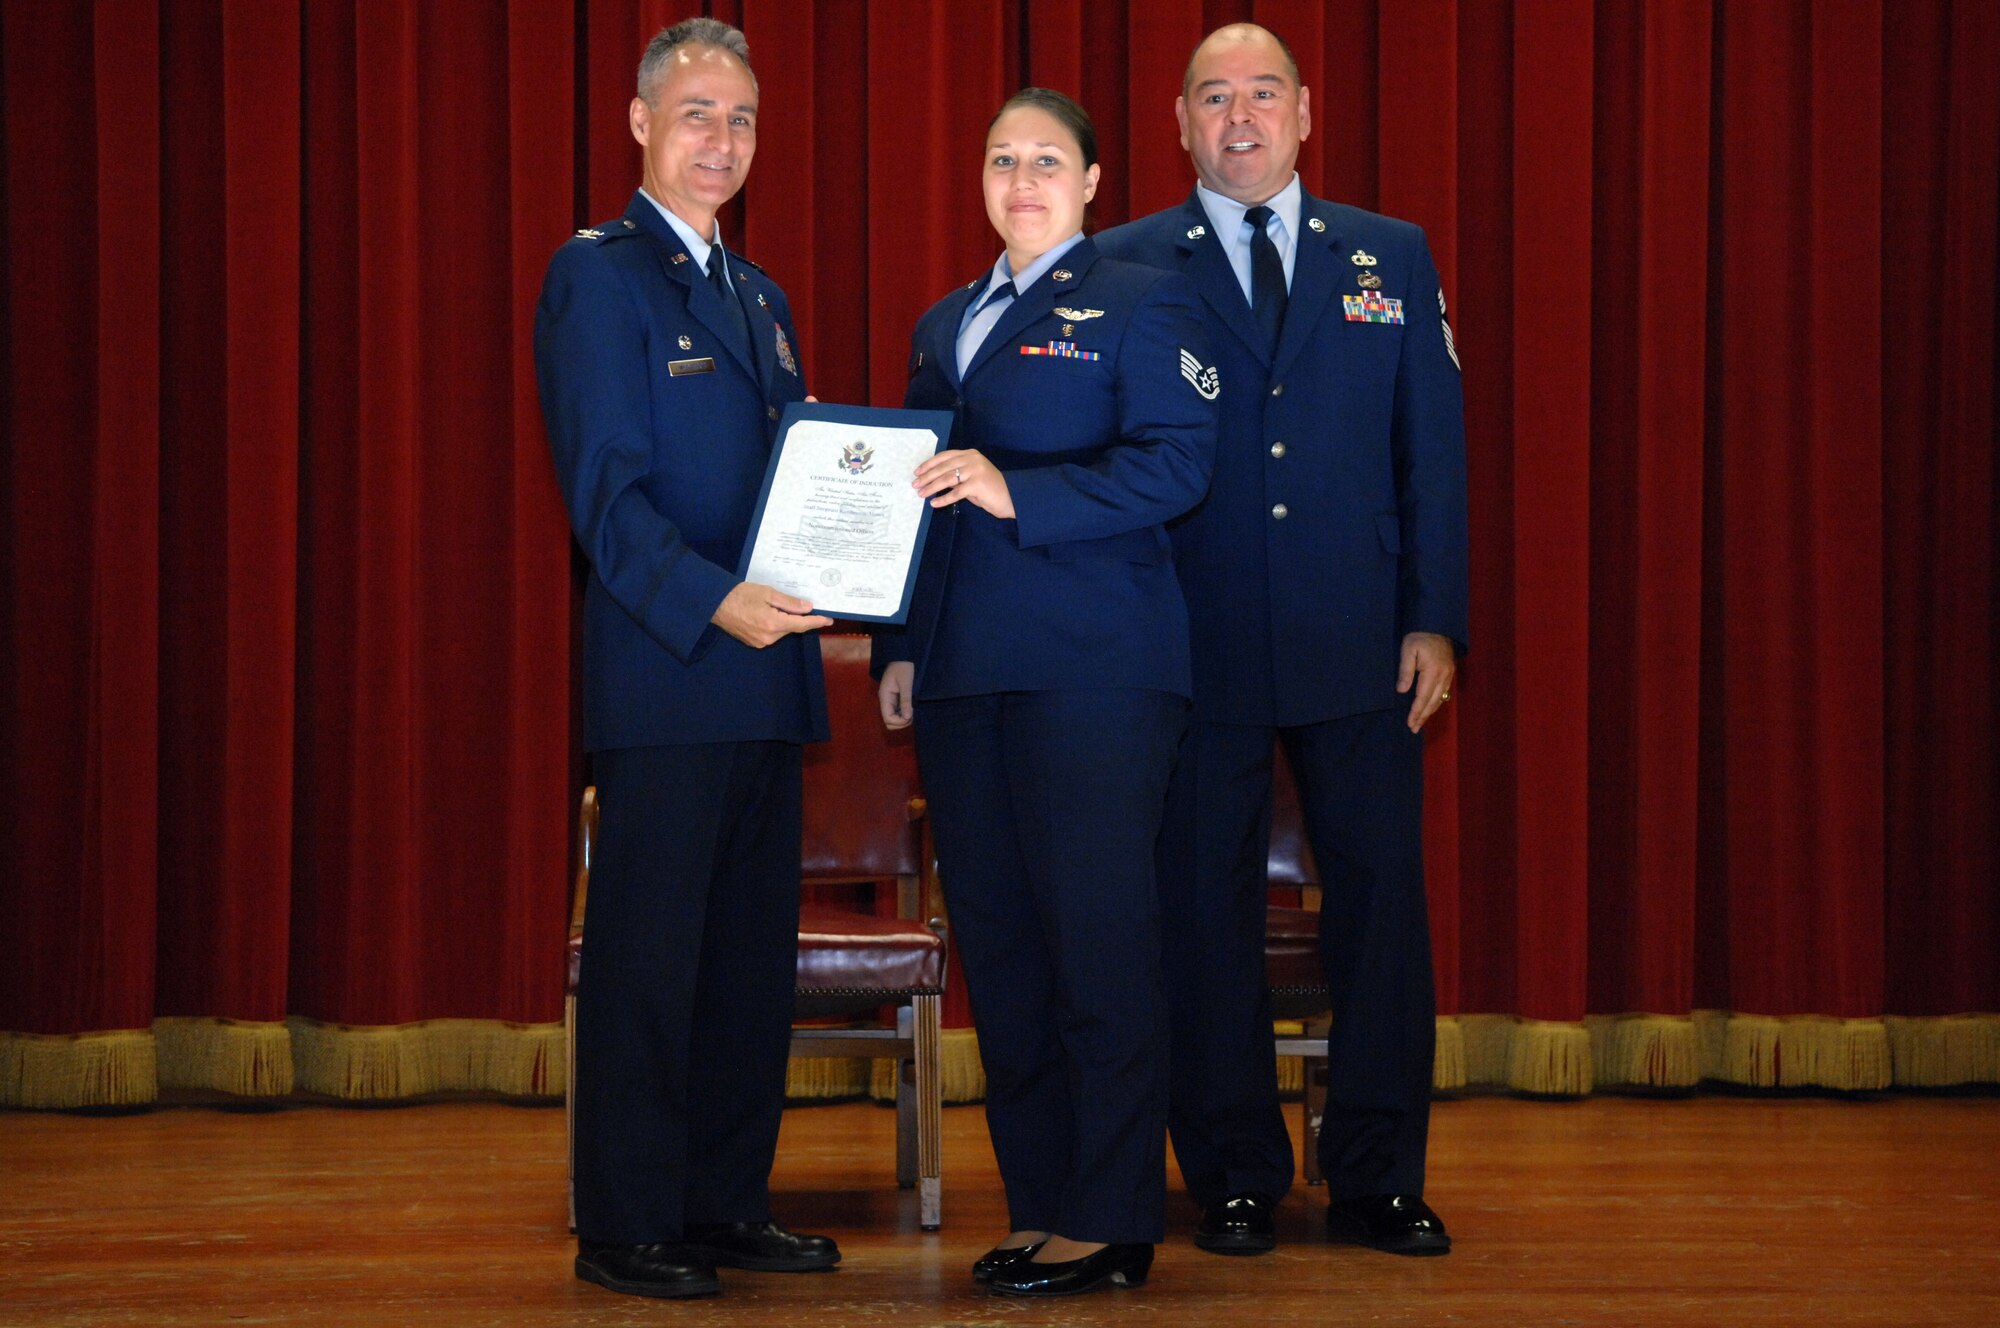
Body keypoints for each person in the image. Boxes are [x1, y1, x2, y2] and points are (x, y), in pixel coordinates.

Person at [1095, 23, 1469, 1258]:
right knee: (1199, 915)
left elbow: (1434, 454)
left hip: (1359, 638)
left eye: (1262, 94)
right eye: (1214, 98)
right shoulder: (1125, 261)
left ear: (1304, 113)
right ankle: (1236, 1172)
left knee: (1377, 906)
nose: (1239, 117)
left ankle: (1374, 1174)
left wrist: (1433, 614)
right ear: (1178, 123)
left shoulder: (1389, 256)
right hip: (1186, 645)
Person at [873, 88, 1218, 1297]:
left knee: (1098, 942)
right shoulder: (942, 322)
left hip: (1098, 672)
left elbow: (1181, 459)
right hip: (965, 678)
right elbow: (914, 502)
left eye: (1046, 161)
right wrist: (900, 646)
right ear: (978, 179)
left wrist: (1026, 492)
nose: (1021, 180)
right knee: (1006, 955)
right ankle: (1040, 1203)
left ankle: (1113, 1213)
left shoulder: (1143, 298)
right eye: (1001, 159)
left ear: (1090, 184)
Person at [534, 18, 841, 1301]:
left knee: (739, 968)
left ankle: (722, 1201)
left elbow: (800, 490)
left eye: (744, 120)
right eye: (699, 114)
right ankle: (624, 1220)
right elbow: (605, 502)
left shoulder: (757, 297)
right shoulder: (596, 277)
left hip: (765, 683)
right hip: (669, 672)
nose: (723, 141)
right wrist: (720, 604)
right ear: (640, 124)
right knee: (651, 965)